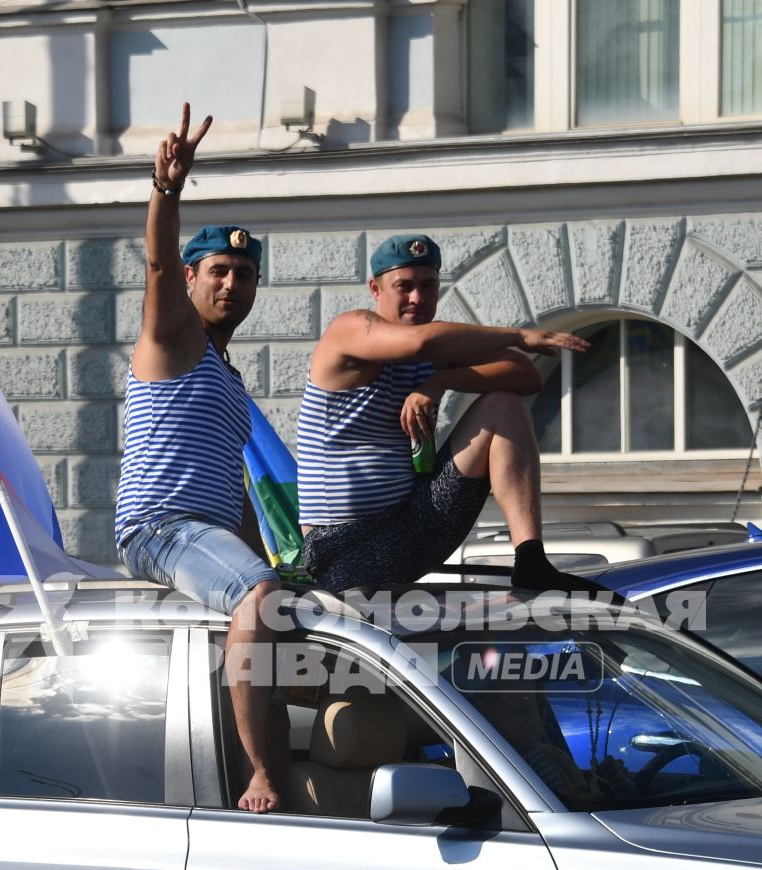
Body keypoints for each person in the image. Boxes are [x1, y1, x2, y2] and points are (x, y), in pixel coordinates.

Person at [114, 104, 285, 813]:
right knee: (258, 599)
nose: (231, 285)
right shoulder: (172, 338)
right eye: (218, 271)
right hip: (158, 529)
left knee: (278, 596)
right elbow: (156, 259)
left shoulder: (229, 380)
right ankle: (264, 774)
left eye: (244, 275)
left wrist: (276, 562)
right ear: (190, 278)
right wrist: (168, 189)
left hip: (202, 530)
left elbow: (232, 493)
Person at [297, 234, 599, 596]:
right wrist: (519, 334)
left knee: (505, 404)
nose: (417, 299)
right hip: (344, 545)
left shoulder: (434, 353)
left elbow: (526, 375)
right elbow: (419, 342)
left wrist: (441, 380)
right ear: (375, 289)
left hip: (416, 522)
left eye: (428, 287)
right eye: (403, 287)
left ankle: (531, 558)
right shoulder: (348, 330)